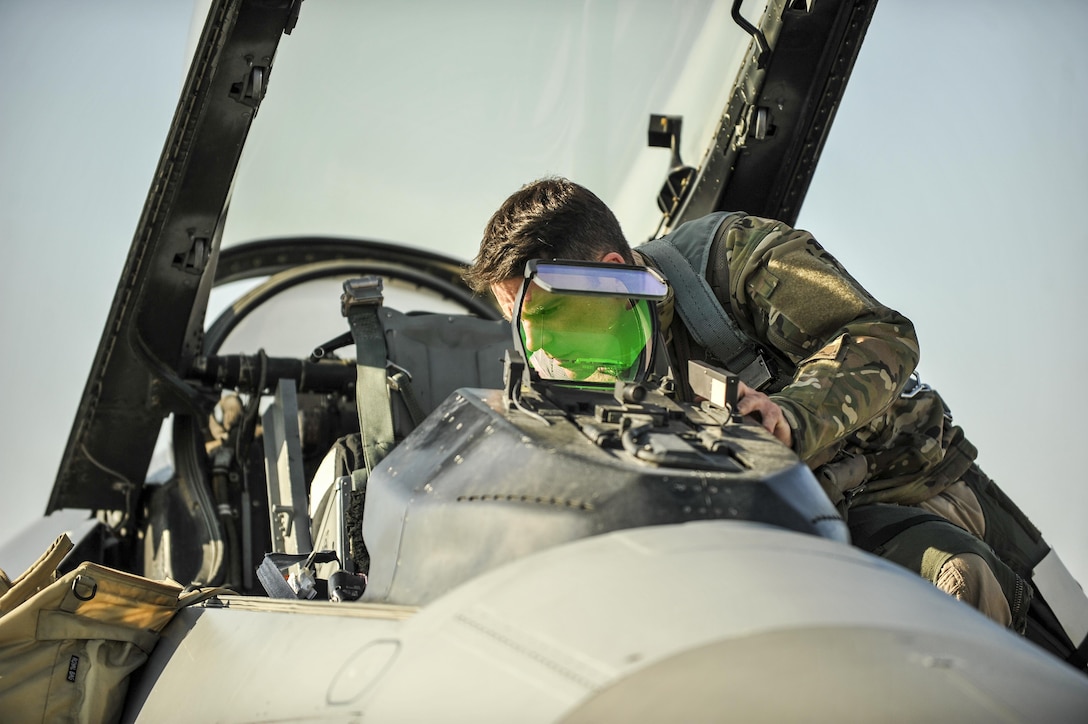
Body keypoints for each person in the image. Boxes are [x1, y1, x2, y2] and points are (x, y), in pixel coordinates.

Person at [464, 176, 1088, 670]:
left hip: (909, 485)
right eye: (524, 330)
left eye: (550, 320)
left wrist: (789, 418)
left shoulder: (728, 263)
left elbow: (879, 337)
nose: (544, 351)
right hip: (783, 539)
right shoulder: (587, 379)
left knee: (997, 613)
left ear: (607, 267)